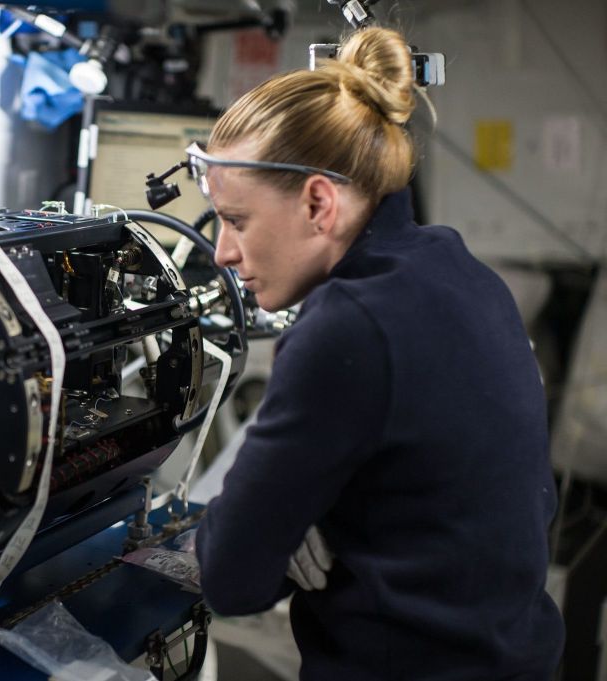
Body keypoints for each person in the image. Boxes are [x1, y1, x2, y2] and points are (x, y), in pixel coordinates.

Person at [192, 26, 564, 680]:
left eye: (237, 220)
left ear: (318, 202)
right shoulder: (462, 272)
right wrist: (320, 514)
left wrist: (289, 521)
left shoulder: (347, 327)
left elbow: (229, 577)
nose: (222, 250)